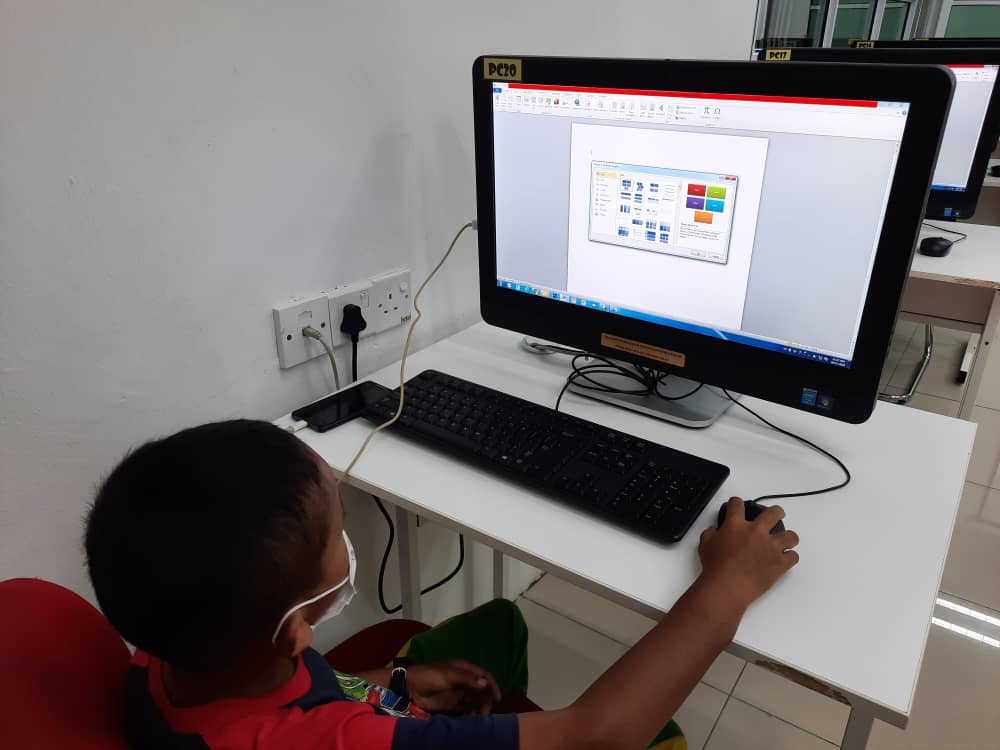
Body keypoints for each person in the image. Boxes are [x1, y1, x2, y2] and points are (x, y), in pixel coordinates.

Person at [84, 419, 799, 750]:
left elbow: (278, 705)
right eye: (338, 530)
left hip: (367, 708)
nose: (345, 533)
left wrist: (387, 684)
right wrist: (727, 587)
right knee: (660, 735)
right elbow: (598, 735)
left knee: (497, 626)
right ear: (295, 626)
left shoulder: (162, 655)